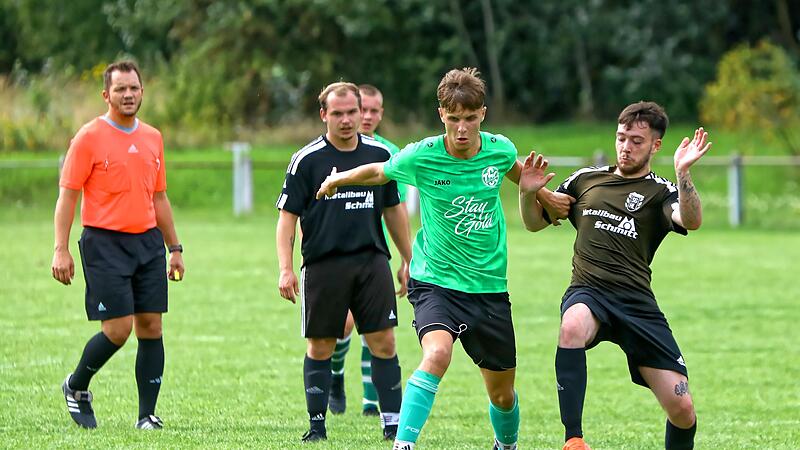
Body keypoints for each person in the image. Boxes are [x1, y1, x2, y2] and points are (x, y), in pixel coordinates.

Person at [316, 68, 560, 450]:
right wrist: (337, 179)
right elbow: (379, 172)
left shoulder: (500, 150)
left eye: (470, 118)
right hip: (435, 280)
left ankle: (506, 445)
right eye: (454, 118)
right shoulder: (423, 155)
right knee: (437, 354)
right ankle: (403, 445)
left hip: (488, 287)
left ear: (482, 114)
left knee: (502, 395)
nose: (462, 128)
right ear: (441, 114)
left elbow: (520, 177)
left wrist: (545, 196)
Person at [519, 101, 709, 450]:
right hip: (589, 292)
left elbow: (691, 220)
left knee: (682, 410)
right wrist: (527, 192)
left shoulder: (661, 191)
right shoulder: (585, 181)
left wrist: (683, 173)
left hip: (637, 304)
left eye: (637, 141)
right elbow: (534, 223)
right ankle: (573, 439)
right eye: (622, 137)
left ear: (655, 145)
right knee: (572, 326)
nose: (626, 147)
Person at [275, 81, 412, 443]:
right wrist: (286, 268)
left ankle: (392, 424)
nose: (347, 119)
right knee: (321, 345)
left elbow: (393, 209)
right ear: (324, 115)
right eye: (338, 113)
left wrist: (408, 259)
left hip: (371, 262)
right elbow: (287, 218)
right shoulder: (307, 160)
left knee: (384, 342)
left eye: (353, 111)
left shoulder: (380, 155)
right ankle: (317, 425)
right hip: (323, 265)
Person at [52, 60, 184, 430]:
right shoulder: (89, 137)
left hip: (148, 243)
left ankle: (146, 416)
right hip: (104, 244)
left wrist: (175, 248)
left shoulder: (153, 137)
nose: (128, 95)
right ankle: (77, 386)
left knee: (151, 326)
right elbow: (68, 197)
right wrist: (60, 248)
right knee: (117, 330)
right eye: (120, 89)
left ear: (142, 92)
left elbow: (159, 198)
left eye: (134, 88)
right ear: (106, 95)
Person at [327, 83, 410, 417]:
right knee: (343, 326)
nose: (368, 117)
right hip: (336, 254)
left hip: (375, 253)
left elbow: (396, 207)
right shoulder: (332, 150)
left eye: (375, 111)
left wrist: (406, 258)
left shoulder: (390, 153)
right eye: (365, 110)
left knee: (375, 330)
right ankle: (335, 376)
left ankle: (370, 402)